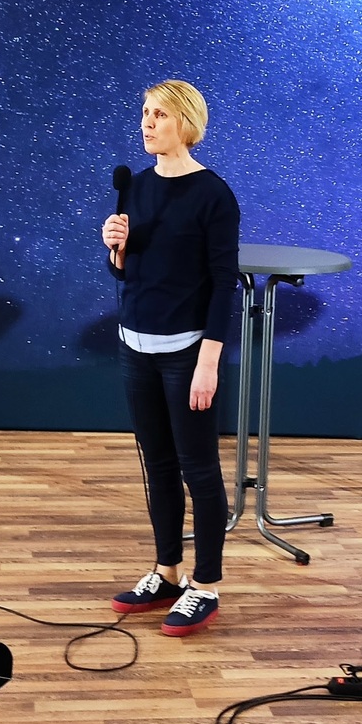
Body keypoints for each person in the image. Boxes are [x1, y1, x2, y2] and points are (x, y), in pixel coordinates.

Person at [100, 80, 241, 636]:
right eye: (144, 112)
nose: (147, 122)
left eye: (159, 114)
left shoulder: (213, 195)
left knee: (198, 469)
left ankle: (205, 585)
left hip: (186, 354)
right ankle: (166, 573)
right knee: (156, 465)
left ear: (186, 122)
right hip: (135, 346)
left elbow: (225, 284)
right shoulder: (134, 187)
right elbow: (128, 272)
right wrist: (116, 250)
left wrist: (209, 362)